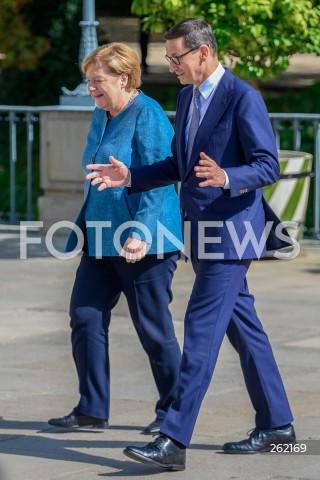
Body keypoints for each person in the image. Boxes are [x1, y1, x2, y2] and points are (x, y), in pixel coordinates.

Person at [85, 19, 296, 471]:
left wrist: (227, 177)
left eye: (177, 57)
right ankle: (279, 428)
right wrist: (131, 177)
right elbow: (179, 164)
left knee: (200, 334)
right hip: (201, 232)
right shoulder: (187, 97)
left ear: (203, 53)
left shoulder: (244, 97)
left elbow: (267, 165)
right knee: (245, 330)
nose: (171, 66)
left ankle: (173, 438)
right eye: (169, 58)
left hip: (233, 234)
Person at [48, 42, 183, 435]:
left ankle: (173, 413)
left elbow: (161, 179)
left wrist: (141, 232)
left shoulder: (149, 114)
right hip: (101, 239)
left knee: (153, 329)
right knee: (85, 318)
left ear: (124, 78)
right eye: (89, 81)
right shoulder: (100, 113)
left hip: (147, 243)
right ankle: (92, 408)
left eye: (98, 81)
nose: (91, 88)